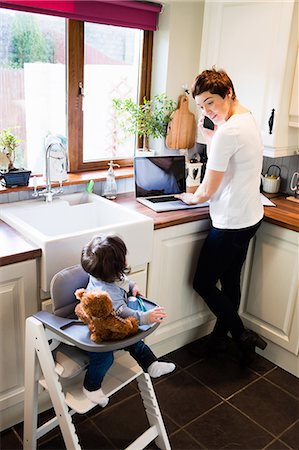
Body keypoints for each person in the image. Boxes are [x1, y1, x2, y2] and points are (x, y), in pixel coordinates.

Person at [175, 68, 267, 366]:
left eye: (211, 102)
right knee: (230, 281)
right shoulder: (246, 117)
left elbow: (207, 190)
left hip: (230, 222)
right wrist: (209, 137)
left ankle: (241, 335)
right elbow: (227, 159)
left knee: (202, 282)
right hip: (251, 217)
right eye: (201, 105)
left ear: (228, 93)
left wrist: (188, 197)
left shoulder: (229, 131)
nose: (207, 110)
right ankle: (218, 340)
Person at [80, 234, 175, 406]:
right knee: (103, 358)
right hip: (103, 331)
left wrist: (133, 286)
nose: (127, 258)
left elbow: (123, 280)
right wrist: (147, 317)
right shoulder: (105, 292)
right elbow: (124, 313)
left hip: (117, 324)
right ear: (117, 264)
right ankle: (91, 387)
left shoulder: (105, 274)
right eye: (124, 255)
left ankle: (152, 365)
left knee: (137, 343)